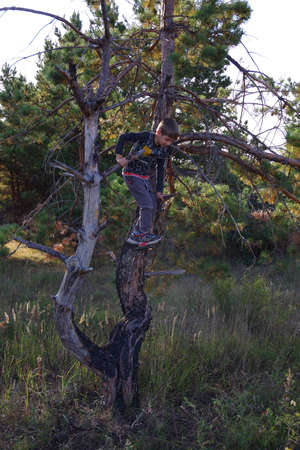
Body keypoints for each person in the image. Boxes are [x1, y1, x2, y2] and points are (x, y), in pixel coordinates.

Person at [115, 117, 179, 246]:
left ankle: (137, 234)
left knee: (153, 205)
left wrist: (159, 191)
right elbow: (122, 137)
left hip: (144, 178)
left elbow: (161, 169)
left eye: (171, 141)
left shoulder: (164, 149)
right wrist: (119, 156)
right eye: (167, 139)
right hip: (131, 174)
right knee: (147, 205)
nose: (168, 143)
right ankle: (140, 235)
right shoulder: (146, 136)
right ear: (159, 132)